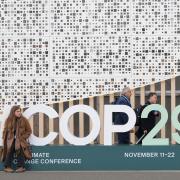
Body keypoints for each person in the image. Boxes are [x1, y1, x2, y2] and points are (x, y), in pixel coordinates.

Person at [1, 105, 32, 173]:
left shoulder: (24, 120)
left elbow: (29, 131)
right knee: (9, 150)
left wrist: (22, 137)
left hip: (20, 140)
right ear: (13, 112)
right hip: (10, 140)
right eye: (17, 111)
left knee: (20, 150)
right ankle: (7, 167)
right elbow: (5, 130)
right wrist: (4, 138)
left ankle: (21, 167)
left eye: (20, 111)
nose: (19, 112)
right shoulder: (8, 120)